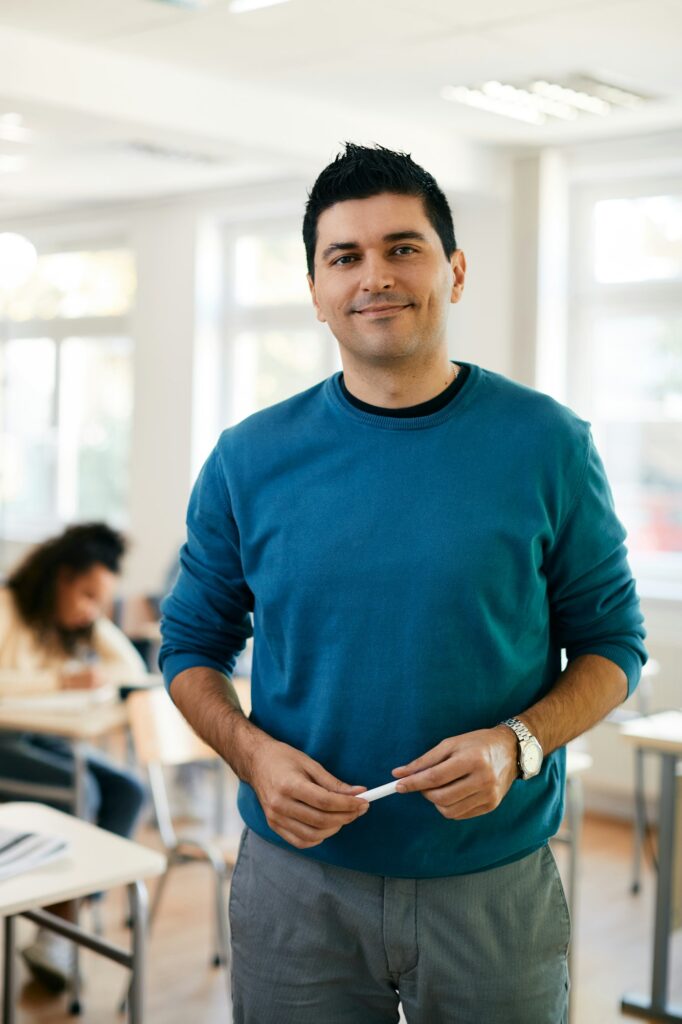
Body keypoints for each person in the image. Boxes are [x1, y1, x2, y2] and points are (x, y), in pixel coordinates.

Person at [158, 143, 648, 1023]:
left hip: (491, 885)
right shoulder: (249, 459)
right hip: (294, 886)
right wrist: (250, 753)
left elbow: (615, 644)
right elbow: (190, 645)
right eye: (344, 257)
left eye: (402, 248)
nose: (374, 277)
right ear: (315, 290)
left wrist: (520, 742)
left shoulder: (548, 446)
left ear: (453, 271)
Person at [0, 522, 148, 992]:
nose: (89, 611)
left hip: (49, 739)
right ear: (60, 577)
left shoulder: (67, 625)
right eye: (86, 594)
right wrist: (62, 680)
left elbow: (131, 669)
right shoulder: (6, 608)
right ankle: (56, 933)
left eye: (99, 602)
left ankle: (62, 922)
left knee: (127, 790)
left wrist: (95, 617)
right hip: (5, 743)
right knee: (78, 788)